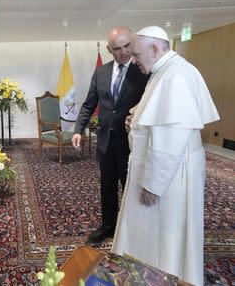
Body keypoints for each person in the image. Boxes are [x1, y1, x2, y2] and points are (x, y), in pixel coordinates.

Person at [111, 26, 220, 286]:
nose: (133, 60)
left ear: (155, 49)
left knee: (166, 236)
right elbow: (156, 115)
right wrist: (135, 118)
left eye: (136, 54)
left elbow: (171, 137)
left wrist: (153, 183)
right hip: (163, 169)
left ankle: (161, 277)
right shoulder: (167, 71)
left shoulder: (176, 75)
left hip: (166, 177)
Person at [72, 26, 149, 243]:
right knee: (107, 185)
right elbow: (89, 104)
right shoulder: (101, 72)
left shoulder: (143, 71)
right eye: (118, 48)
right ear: (109, 49)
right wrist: (78, 130)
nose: (124, 52)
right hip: (105, 141)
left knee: (129, 186)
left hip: (130, 142)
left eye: (127, 46)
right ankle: (108, 226)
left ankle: (132, 229)